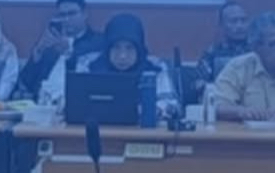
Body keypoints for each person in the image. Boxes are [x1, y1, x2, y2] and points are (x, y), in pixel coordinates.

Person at [40, 13, 179, 121]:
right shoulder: (88, 64)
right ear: (107, 48)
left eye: (129, 48)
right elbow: (65, 100)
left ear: (139, 49)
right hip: (94, 132)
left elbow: (171, 106)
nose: (122, 56)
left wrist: (136, 111)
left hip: (142, 135)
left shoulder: (154, 68)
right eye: (116, 48)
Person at [16, 0, 104, 100]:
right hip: (43, 103)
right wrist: (39, 51)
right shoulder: (50, 45)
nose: (66, 19)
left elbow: (95, 77)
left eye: (71, 14)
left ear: (85, 14)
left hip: (78, 101)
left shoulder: (98, 42)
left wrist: (69, 52)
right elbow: (26, 83)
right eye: (62, 15)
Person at [194, 2, 250, 94]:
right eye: (233, 21)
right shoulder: (212, 54)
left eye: (243, 20)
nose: (240, 26)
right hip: (223, 98)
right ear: (222, 25)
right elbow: (198, 83)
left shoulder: (258, 51)